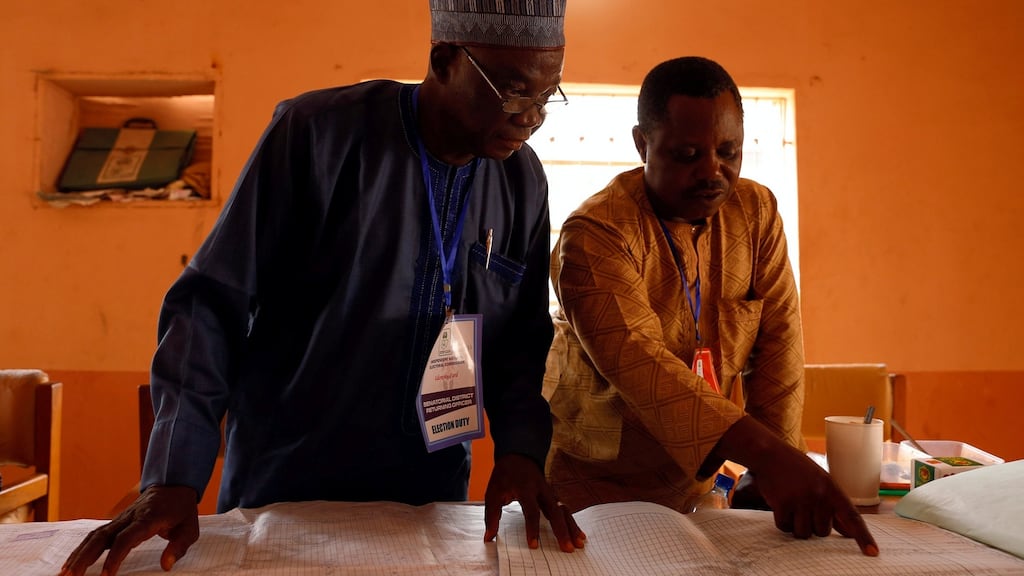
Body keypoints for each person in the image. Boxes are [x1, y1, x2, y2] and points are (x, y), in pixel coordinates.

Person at [59, 2, 586, 575]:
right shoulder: (318, 134)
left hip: (427, 494)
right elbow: (211, 303)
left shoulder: (521, 178)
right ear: (444, 60)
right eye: (512, 92)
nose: (530, 118)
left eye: (545, 96)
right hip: (287, 483)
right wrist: (173, 475)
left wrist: (520, 449)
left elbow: (518, 337)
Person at [543, 56, 878, 556]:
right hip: (594, 494)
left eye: (729, 151)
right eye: (687, 154)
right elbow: (639, 363)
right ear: (642, 144)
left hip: (700, 494)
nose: (712, 172)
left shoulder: (756, 213)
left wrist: (776, 465)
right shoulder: (596, 234)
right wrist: (768, 457)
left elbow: (780, 343)